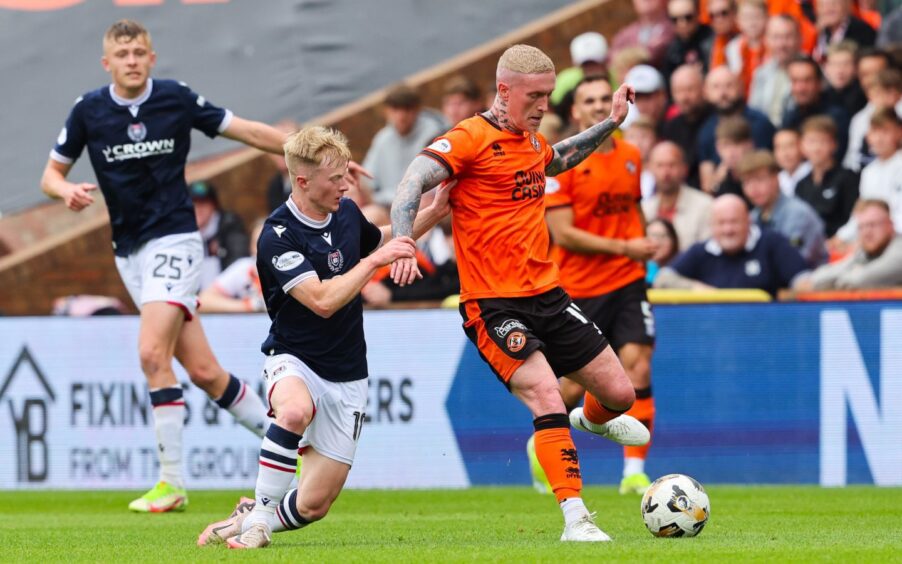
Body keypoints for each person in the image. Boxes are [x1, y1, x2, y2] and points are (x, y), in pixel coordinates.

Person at [390, 44, 647, 542]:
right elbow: (413, 181)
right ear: (503, 91)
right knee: (545, 393)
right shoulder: (469, 138)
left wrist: (612, 122)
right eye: (534, 95)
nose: (543, 105)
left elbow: (561, 158)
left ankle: (590, 421)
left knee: (619, 394)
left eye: (549, 95)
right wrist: (403, 242)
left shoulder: (531, 141)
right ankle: (576, 518)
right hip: (492, 303)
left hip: (548, 294)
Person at [40, 19, 277, 513]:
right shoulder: (89, 109)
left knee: (152, 354)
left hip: (175, 239)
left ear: (151, 57)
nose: (131, 60)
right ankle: (291, 445)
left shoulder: (175, 98)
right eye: (122, 54)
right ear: (108, 63)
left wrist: (312, 151)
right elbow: (51, 175)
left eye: (139, 52)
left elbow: (247, 130)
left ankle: (171, 483)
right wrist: (66, 191)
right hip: (128, 253)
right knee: (206, 372)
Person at [197, 126, 451, 549]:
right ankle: (259, 522)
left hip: (347, 371)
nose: (345, 185)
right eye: (335, 179)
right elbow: (322, 300)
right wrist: (375, 264)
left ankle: (246, 517)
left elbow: (381, 238)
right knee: (293, 412)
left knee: (314, 505)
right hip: (294, 357)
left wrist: (437, 210)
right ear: (302, 182)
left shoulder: (347, 213)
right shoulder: (278, 235)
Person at [539, 75, 658, 496]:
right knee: (571, 387)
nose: (594, 106)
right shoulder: (560, 163)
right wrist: (626, 246)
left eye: (600, 99)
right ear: (575, 111)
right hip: (578, 288)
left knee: (638, 362)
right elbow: (564, 233)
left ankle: (634, 473)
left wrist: (644, 251)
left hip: (628, 282)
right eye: (587, 101)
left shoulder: (631, 154)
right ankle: (545, 444)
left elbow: (633, 210)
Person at [654, 193, 809, 295]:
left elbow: (802, 280)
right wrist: (700, 290)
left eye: (734, 222)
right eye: (721, 223)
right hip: (713, 334)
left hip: (765, 335)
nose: (728, 230)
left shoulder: (772, 243)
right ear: (711, 225)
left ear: (748, 221)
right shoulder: (700, 251)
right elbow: (663, 279)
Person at [362, 83, 447, 208]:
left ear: (417, 109)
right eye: (395, 109)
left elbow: (437, 186)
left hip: (425, 205)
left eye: (407, 109)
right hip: (389, 206)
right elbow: (367, 181)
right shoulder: (382, 138)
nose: (401, 116)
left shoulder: (435, 133)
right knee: (367, 215)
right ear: (386, 111)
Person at [740, 150, 829, 266]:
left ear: (776, 178)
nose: (753, 188)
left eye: (760, 179)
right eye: (747, 182)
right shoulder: (753, 216)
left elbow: (791, 259)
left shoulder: (798, 214)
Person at [697, 66, 776, 193]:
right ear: (706, 92)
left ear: (741, 87)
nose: (723, 93)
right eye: (716, 87)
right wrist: (722, 173)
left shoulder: (760, 123)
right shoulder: (706, 130)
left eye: (729, 86)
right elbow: (707, 184)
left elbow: (770, 168)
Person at [794, 199, 902, 290]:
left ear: (890, 224)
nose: (866, 233)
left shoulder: (899, 250)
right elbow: (831, 271)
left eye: (872, 225)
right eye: (861, 227)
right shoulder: (866, 253)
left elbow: (860, 280)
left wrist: (833, 282)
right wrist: (814, 281)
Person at [794, 116, 859, 237]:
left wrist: (839, 238)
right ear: (802, 146)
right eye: (811, 141)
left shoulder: (848, 178)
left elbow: (854, 219)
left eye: (823, 141)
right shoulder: (800, 185)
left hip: (841, 243)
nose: (817, 148)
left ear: (834, 145)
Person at [642, 141, 713, 250]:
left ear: (684, 168)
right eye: (660, 165)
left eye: (672, 165)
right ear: (650, 168)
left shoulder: (706, 206)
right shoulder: (643, 209)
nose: (666, 173)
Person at [781, 55, 851, 160]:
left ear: (819, 83)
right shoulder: (789, 117)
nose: (801, 88)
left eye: (807, 80)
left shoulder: (837, 116)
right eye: (795, 81)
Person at [190, 180, 250, 289]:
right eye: (193, 204)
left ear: (213, 205)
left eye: (203, 203)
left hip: (227, 295)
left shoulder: (229, 225)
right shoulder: (185, 234)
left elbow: (239, 261)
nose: (198, 209)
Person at [661, 65, 714, 189]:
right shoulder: (671, 127)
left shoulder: (718, 121)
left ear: (703, 89)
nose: (684, 97)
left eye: (690, 89)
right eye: (678, 91)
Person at [198, 220, 266, 313]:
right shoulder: (244, 267)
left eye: (268, 243)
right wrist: (250, 306)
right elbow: (203, 301)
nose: (263, 250)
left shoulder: (289, 265)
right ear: (251, 247)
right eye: (257, 244)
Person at [748, 15, 803, 127]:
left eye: (788, 37)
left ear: (799, 38)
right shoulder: (761, 73)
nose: (781, 44)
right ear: (766, 40)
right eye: (776, 37)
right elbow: (753, 112)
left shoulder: (810, 71)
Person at [610, 0, 676, 68]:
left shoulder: (675, 25)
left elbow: (655, 52)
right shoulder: (625, 34)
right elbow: (612, 57)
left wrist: (627, 56)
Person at [662, 0, 713, 83]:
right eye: (675, 19)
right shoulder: (672, 49)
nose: (682, 23)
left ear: (697, 14)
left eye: (688, 17)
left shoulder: (712, 40)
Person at [812, 0, 877, 63]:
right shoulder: (820, 32)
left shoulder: (863, 30)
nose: (829, 9)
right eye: (823, 6)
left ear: (846, 6)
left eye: (834, 4)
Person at [824, 41, 868, 117]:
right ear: (826, 68)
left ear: (856, 68)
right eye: (834, 64)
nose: (840, 70)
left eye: (846, 64)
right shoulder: (820, 97)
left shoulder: (865, 96)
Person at [773, 127, 812, 197]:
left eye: (790, 146)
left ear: (802, 147)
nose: (785, 153)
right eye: (779, 147)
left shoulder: (813, 173)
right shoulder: (776, 179)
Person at [645, 218, 681, 283]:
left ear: (673, 240)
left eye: (663, 236)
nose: (657, 242)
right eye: (653, 236)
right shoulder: (636, 270)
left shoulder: (683, 266)